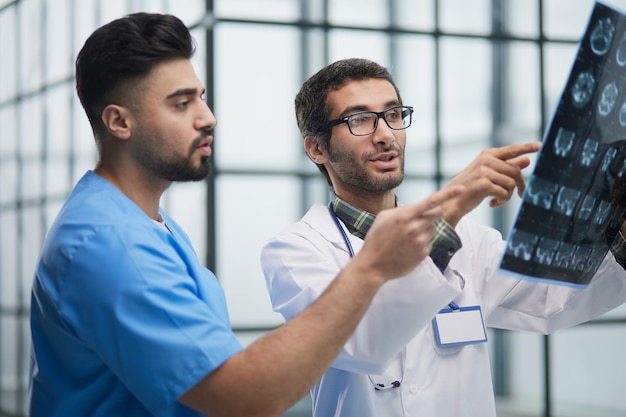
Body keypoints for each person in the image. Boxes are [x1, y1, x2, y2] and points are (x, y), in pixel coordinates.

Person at [27, 14, 465, 417]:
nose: (208, 118)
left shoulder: (151, 225)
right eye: (181, 104)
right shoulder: (109, 243)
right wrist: (370, 268)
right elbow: (240, 396)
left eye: (201, 97)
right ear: (119, 122)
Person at [260, 57, 626, 417]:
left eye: (392, 114)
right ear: (317, 148)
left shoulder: (469, 238)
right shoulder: (295, 252)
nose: (386, 135)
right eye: (359, 120)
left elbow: (553, 299)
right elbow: (360, 344)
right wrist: (449, 208)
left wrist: (621, 225)